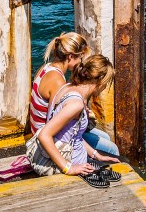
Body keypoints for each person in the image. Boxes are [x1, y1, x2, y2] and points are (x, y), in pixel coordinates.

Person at [30, 32, 120, 162]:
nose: (81, 62)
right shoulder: (57, 81)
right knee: (111, 148)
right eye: (80, 58)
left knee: (104, 136)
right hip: (47, 136)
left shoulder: (47, 68)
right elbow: (54, 121)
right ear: (71, 56)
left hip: (41, 128)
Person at [35, 54, 121, 188]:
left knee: (116, 160)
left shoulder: (67, 87)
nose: (105, 88)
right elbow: (44, 135)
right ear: (100, 81)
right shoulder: (76, 104)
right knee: (124, 165)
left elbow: (73, 135)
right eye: (107, 83)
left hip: (76, 156)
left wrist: (96, 155)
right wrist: (68, 168)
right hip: (73, 162)